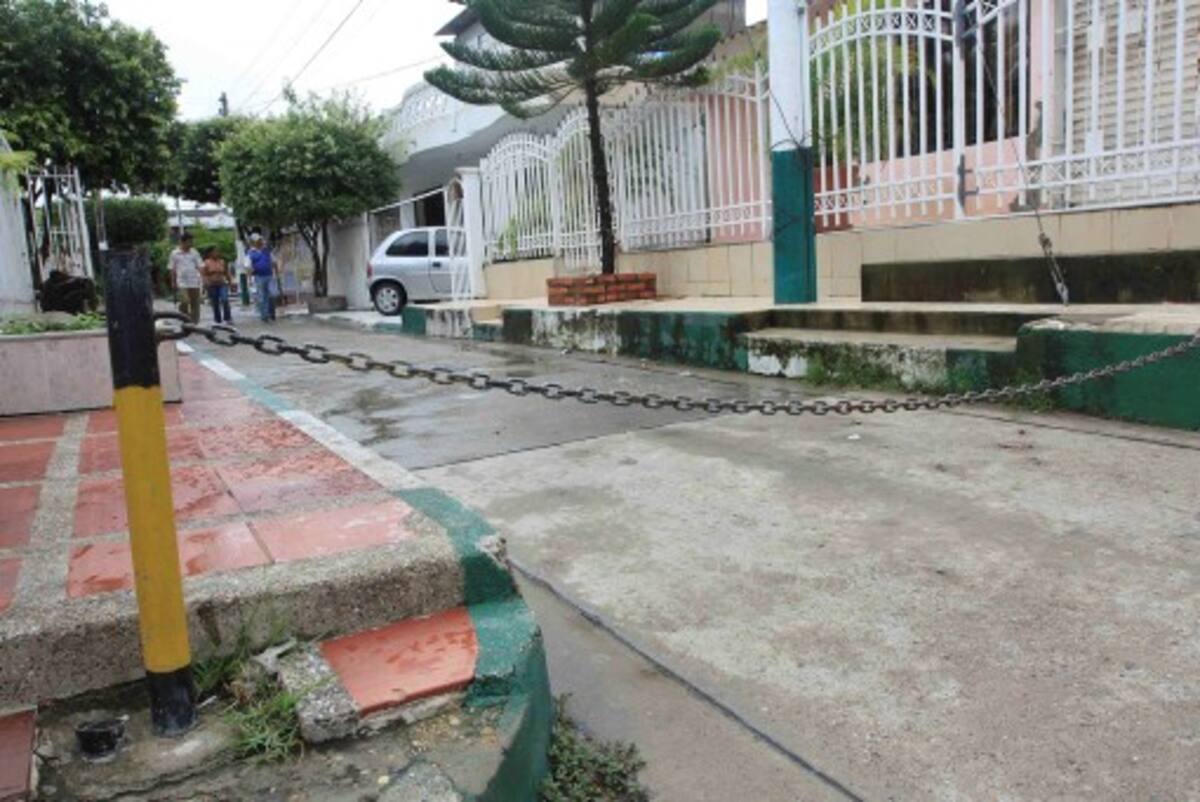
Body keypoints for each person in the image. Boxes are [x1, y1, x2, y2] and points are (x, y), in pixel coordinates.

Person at [169, 234, 204, 324]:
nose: (191, 243)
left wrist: (203, 278)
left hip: (194, 281)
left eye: (191, 241)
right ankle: (185, 319)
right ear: (183, 242)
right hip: (181, 281)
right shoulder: (175, 253)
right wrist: (173, 282)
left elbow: (200, 266)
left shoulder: (194, 253)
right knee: (184, 301)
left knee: (195, 303)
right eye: (189, 241)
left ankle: (194, 322)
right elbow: (172, 269)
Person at [247, 234, 278, 323]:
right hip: (258, 277)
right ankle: (265, 316)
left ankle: (271, 313)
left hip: (269, 275)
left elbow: (274, 262)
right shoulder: (251, 253)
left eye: (260, 240)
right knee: (262, 296)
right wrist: (249, 280)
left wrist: (276, 274)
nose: (260, 242)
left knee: (272, 295)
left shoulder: (266, 251)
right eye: (258, 240)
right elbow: (248, 267)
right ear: (254, 242)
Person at [201, 246, 233, 324]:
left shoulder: (222, 262)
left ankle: (227, 318)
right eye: (215, 252)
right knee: (215, 302)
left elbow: (227, 273)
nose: (217, 253)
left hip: (222, 283)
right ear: (210, 253)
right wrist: (205, 283)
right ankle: (217, 319)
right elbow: (203, 274)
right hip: (211, 284)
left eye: (217, 251)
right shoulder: (206, 263)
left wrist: (231, 282)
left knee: (225, 299)